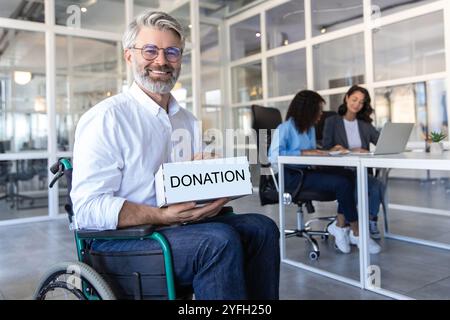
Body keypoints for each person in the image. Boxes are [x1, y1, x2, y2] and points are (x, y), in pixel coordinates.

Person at [70, 10, 280, 300]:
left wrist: (215, 190)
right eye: (150, 50)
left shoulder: (186, 120)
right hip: (122, 242)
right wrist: (162, 215)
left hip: (178, 226)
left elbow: (192, 185)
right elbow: (88, 211)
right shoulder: (107, 118)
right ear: (129, 56)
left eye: (172, 52)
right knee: (218, 241)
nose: (161, 61)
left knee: (262, 227)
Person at [268, 90, 381, 254]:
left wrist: (327, 151)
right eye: (318, 110)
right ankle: (357, 232)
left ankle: (340, 226)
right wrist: (302, 153)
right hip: (291, 177)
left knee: (349, 176)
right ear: (308, 110)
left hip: (306, 172)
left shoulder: (310, 129)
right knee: (342, 183)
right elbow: (273, 156)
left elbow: (311, 151)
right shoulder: (285, 128)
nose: (321, 114)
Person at [322, 85, 384, 239]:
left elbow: (380, 142)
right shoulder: (332, 121)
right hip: (340, 170)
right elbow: (326, 147)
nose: (357, 104)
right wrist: (350, 150)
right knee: (352, 186)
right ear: (346, 98)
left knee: (376, 185)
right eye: (354, 99)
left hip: (360, 169)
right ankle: (345, 225)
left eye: (361, 102)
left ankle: (370, 221)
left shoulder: (365, 124)